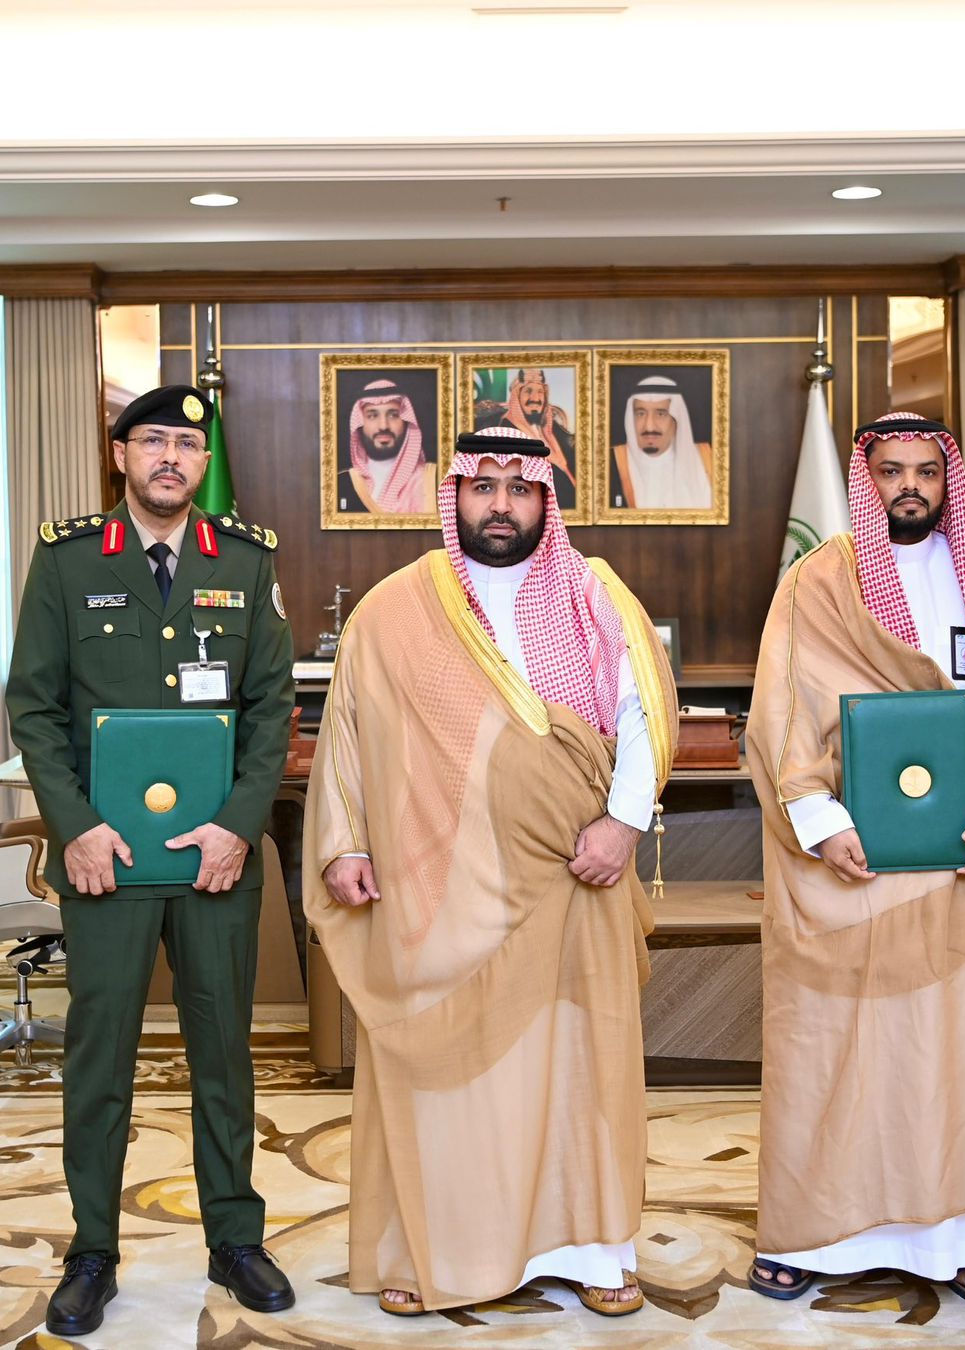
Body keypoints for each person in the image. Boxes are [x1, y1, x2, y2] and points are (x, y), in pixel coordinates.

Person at [303, 426, 679, 1317]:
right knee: (446, 1068)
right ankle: (430, 1248)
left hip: (578, 875)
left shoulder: (593, 593)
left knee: (581, 1064)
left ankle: (593, 1251)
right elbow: (347, 731)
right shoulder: (394, 609)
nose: (501, 504)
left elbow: (643, 715)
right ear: (456, 495)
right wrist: (345, 843)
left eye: (520, 487)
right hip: (442, 888)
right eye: (484, 486)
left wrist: (624, 825)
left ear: (545, 498)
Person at [743, 411, 965, 1311]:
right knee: (846, 1049)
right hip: (858, 852)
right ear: (868, 479)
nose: (909, 487)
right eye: (891, 471)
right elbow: (783, 706)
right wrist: (819, 818)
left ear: (947, 479)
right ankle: (824, 1234)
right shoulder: (820, 581)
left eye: (926, 471)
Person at [6, 384, 297, 1336]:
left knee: (224, 1054)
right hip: (108, 860)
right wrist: (76, 827)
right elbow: (34, 708)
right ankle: (92, 1249)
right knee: (100, 1058)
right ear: (121, 454)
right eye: (153, 441)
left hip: (215, 861)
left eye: (187, 444)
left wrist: (239, 825)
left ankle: (235, 1240)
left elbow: (270, 709)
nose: (172, 457)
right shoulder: (68, 560)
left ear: (203, 463)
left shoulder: (245, 561)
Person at [475, 366, 579, 510]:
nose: (535, 398)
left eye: (540, 392)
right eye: (528, 391)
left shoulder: (553, 428)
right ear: (517, 396)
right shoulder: (506, 433)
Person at [609, 375, 713, 510]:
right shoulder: (610, 463)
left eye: (661, 414)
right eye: (640, 414)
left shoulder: (708, 460)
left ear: (676, 420)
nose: (649, 426)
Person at [335, 378, 438, 514]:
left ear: (406, 421)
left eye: (393, 415)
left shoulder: (436, 479)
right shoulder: (340, 484)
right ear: (359, 424)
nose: (383, 426)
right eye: (372, 416)